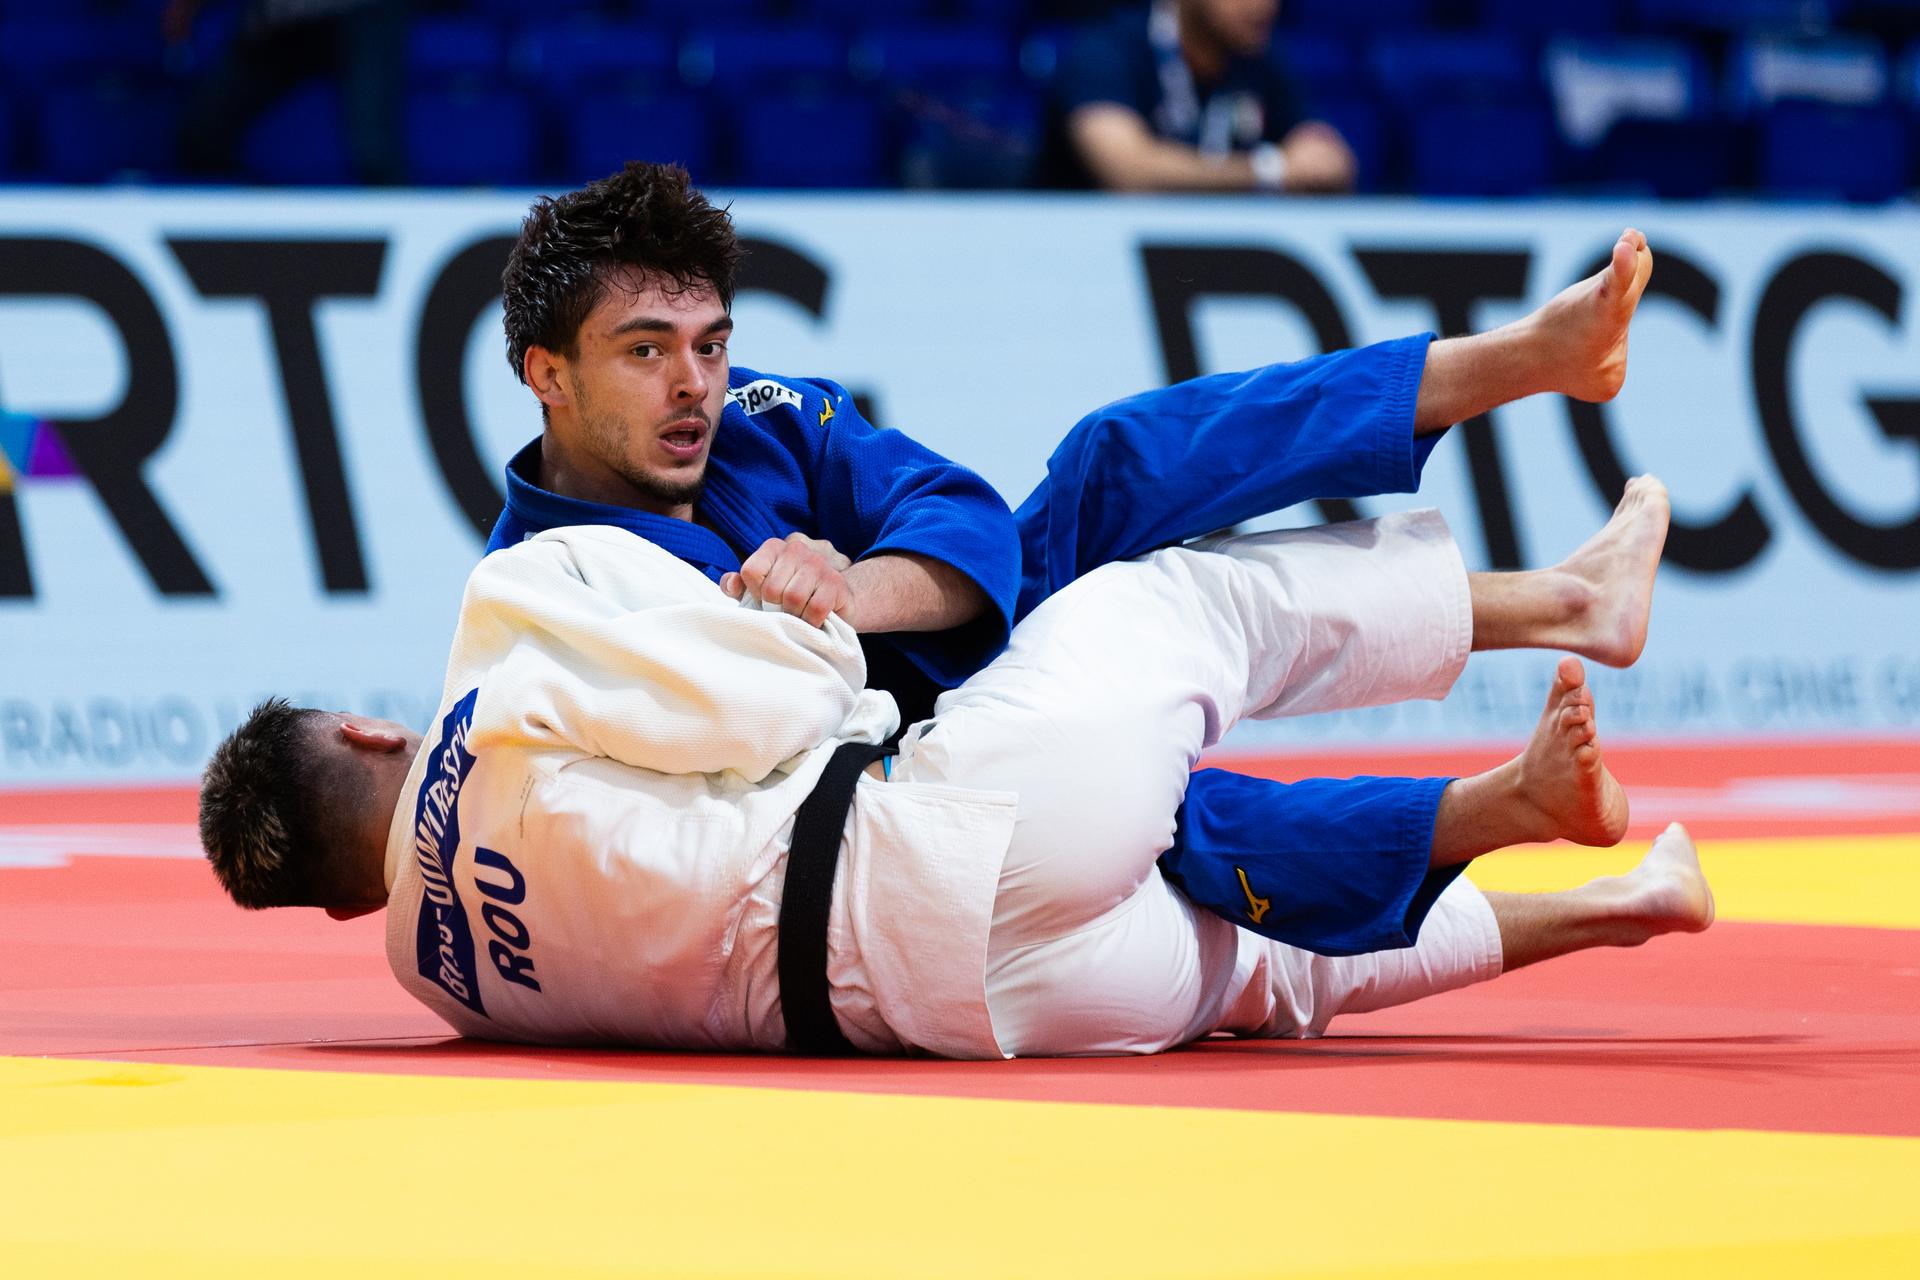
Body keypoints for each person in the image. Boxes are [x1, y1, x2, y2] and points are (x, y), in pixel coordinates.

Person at [484, 162, 1658, 956]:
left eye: (710, 343)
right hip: (893, 795)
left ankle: (1526, 386)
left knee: (1111, 460)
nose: (695, 384)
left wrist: (847, 591)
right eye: (647, 351)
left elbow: (962, 516)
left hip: (956, 635)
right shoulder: (541, 595)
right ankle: (1506, 799)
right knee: (1175, 828)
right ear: (548, 373)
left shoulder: (759, 419)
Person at [197, 497, 1712, 1059]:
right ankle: (1569, 608)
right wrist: (801, 618)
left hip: (945, 1017)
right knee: (1175, 601)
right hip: (944, 843)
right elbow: (772, 693)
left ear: (332, 906)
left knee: (1268, 979)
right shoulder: (491, 709)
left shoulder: (433, 984)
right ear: (376, 735)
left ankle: (1622, 898)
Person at [1038, 0, 1356, 192]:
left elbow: (1329, 158)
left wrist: (1316, 159)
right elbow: (1130, 172)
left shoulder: (1262, 59)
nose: (1264, 6)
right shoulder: (1105, 50)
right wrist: (1269, 171)